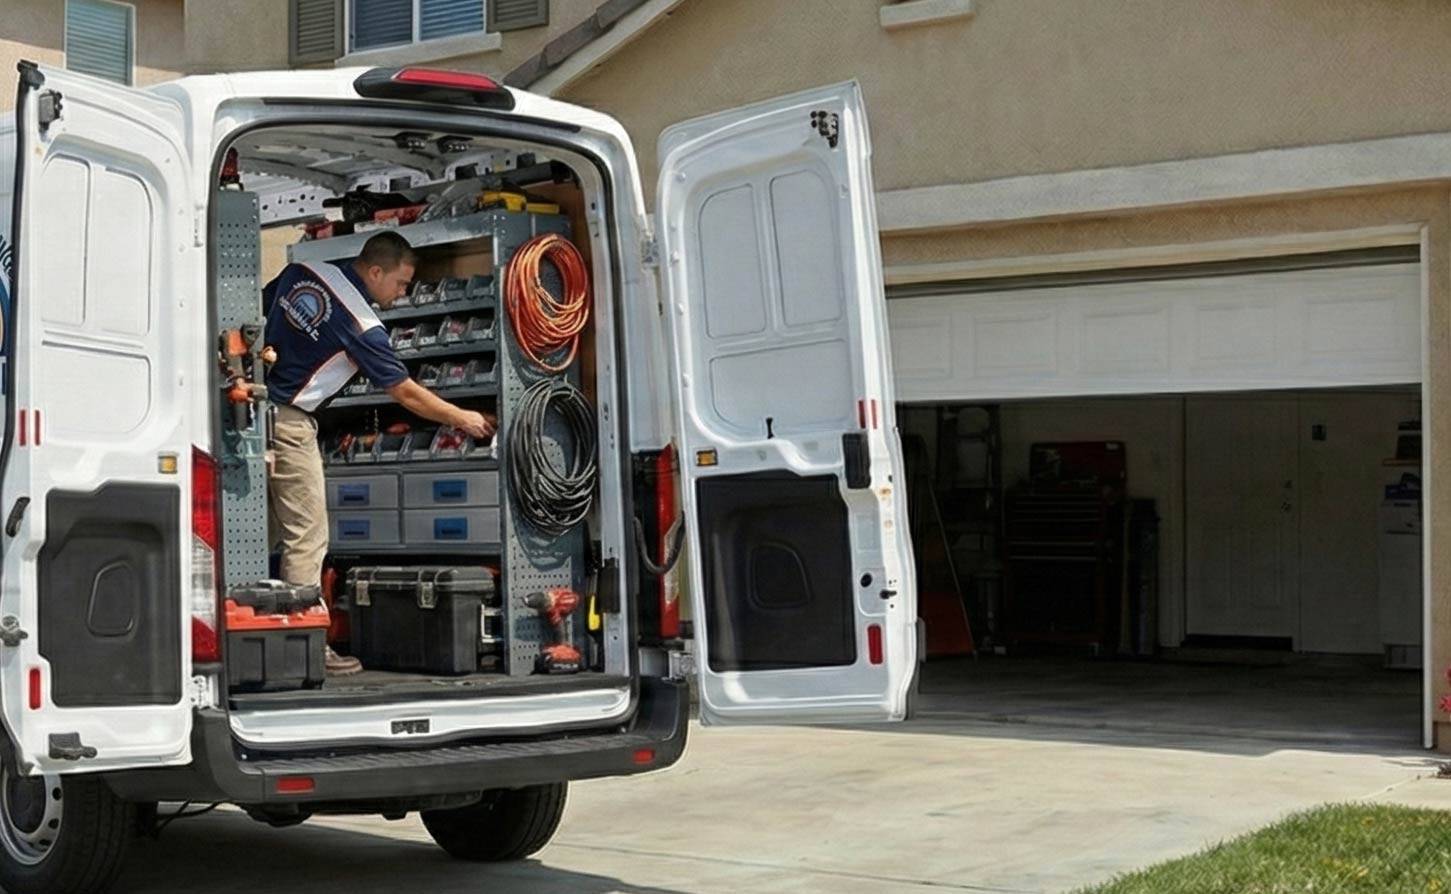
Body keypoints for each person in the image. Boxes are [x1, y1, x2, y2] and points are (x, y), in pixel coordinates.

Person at [262, 231, 495, 675]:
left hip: (250, 407)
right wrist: (463, 418)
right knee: (308, 538)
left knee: (264, 533)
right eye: (402, 283)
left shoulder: (304, 272)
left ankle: (268, 633)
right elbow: (406, 393)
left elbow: (258, 310)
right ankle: (307, 645)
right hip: (290, 423)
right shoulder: (364, 327)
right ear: (375, 271)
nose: (403, 293)